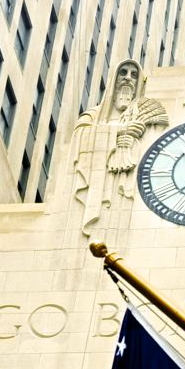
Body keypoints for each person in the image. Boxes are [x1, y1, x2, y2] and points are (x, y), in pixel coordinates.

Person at [73, 60, 168, 237]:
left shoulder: (143, 116)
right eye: (123, 73)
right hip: (100, 181)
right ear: (114, 79)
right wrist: (119, 130)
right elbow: (80, 135)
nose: (127, 78)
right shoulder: (94, 115)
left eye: (134, 75)